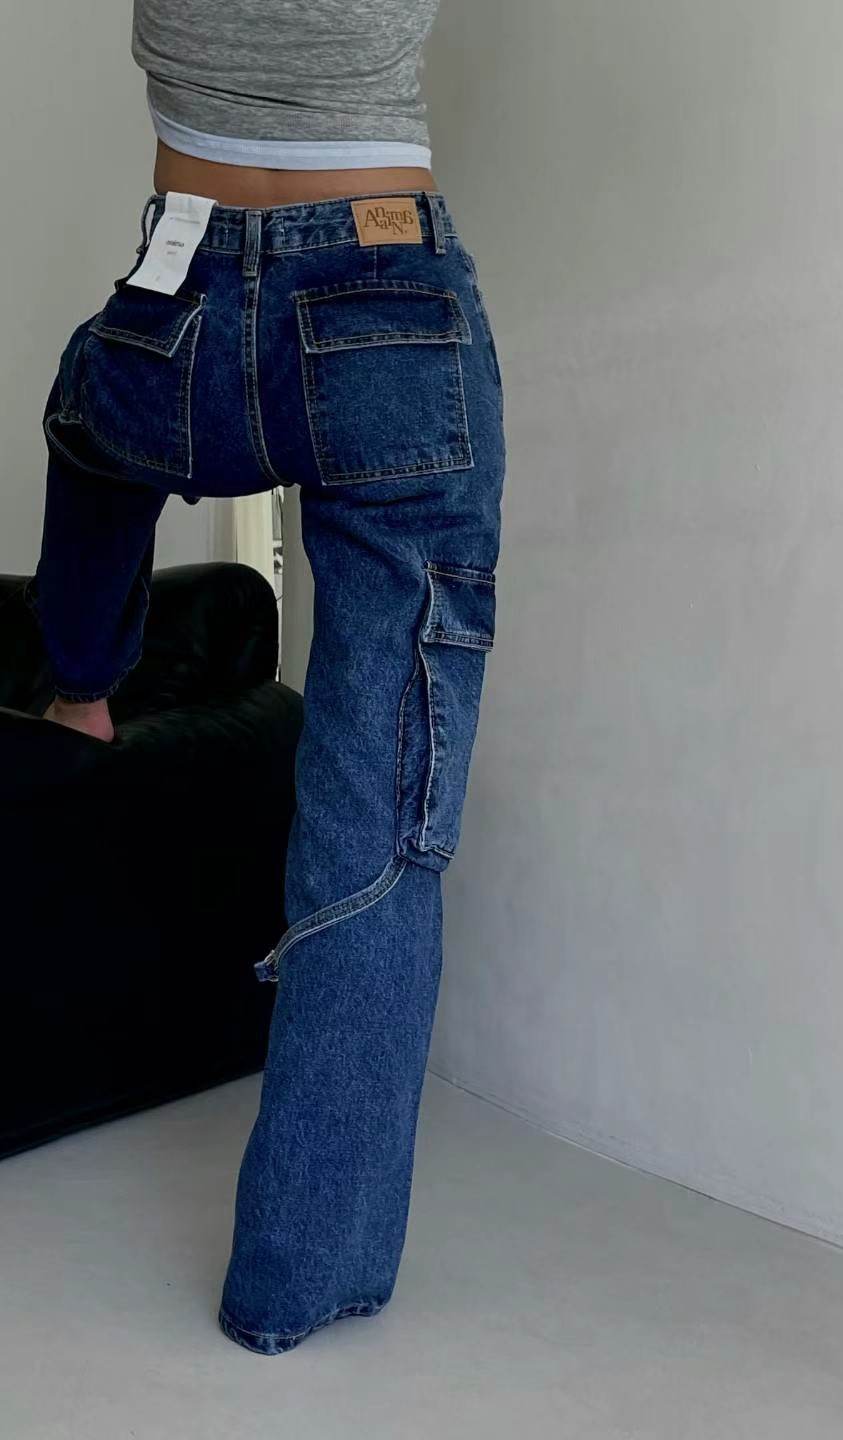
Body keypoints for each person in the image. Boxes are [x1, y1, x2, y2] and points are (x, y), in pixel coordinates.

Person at [28, 0, 505, 1355]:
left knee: (92, 415)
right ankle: (294, 1282)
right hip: (385, 286)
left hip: (178, 286)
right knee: (375, 827)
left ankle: (80, 681)